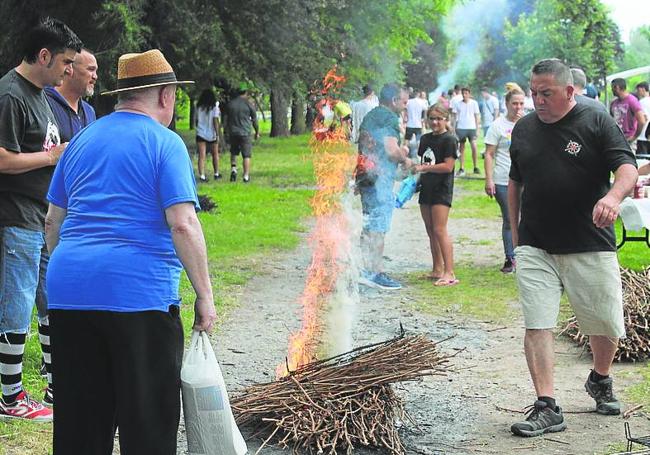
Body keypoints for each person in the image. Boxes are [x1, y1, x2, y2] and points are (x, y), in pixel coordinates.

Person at [44, 49, 217, 454]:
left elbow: (53, 221)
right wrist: (205, 295)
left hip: (70, 294)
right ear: (165, 96)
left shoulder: (82, 139)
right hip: (138, 299)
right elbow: (182, 223)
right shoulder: (165, 143)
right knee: (147, 423)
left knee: (80, 424)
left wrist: (74, 272)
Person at [508, 58, 638, 437]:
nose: (537, 101)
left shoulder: (595, 120)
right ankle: (547, 406)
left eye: (545, 93)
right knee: (537, 323)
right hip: (536, 244)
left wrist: (613, 198)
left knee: (604, 322)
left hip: (589, 240)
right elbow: (515, 182)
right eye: (533, 93)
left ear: (569, 91)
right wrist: (516, 236)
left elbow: (627, 168)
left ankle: (600, 378)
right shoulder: (524, 130)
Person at [0, 17, 81, 422]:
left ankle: (56, 384)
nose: (70, 70)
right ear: (44, 55)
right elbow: (1, 158)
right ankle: (10, 397)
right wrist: (53, 156)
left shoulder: (39, 95)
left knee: (51, 300)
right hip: (15, 220)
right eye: (66, 62)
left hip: (40, 218)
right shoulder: (10, 95)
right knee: (16, 307)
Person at [357, 83, 411, 290]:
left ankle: (366, 268)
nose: (405, 106)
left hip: (366, 176)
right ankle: (375, 272)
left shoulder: (371, 115)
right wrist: (404, 154)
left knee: (369, 223)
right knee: (378, 225)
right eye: (404, 102)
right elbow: (391, 151)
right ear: (394, 100)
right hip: (379, 179)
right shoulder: (389, 117)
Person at [414, 104, 458, 286]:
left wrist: (425, 168)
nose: (435, 122)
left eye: (439, 119)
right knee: (430, 230)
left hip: (442, 189)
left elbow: (448, 166)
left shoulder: (449, 140)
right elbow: (422, 161)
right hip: (426, 188)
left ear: (446, 119)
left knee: (440, 230)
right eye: (432, 118)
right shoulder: (424, 139)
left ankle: (450, 272)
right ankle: (437, 269)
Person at [483, 87, 525, 274]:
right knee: (510, 219)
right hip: (503, 179)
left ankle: (526, 257)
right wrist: (489, 179)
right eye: (514, 103)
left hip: (528, 179)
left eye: (521, 103)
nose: (518, 107)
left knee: (528, 218)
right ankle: (510, 258)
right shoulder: (497, 126)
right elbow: (489, 154)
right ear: (507, 104)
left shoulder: (528, 123)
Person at [45, 48, 97, 142]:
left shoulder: (90, 112)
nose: (95, 76)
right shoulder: (44, 103)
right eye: (90, 69)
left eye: (95, 71)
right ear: (69, 69)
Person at [224, 84, 259, 183]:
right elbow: (254, 119)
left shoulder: (231, 104)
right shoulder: (248, 104)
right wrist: (257, 132)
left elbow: (226, 120)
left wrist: (225, 131)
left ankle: (233, 169)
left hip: (233, 132)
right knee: (246, 155)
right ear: (246, 92)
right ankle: (246, 176)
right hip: (245, 132)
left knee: (233, 152)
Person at [451, 87, 481, 175]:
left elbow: (477, 116)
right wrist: (453, 129)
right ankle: (461, 167)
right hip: (461, 127)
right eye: (463, 93)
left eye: (466, 93)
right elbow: (454, 116)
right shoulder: (458, 104)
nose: (464, 95)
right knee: (461, 148)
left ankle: (475, 167)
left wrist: (477, 128)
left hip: (471, 128)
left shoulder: (474, 103)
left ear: (469, 94)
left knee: (474, 147)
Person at [610, 78, 647, 145]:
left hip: (628, 138)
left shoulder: (632, 101)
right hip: (617, 138)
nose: (611, 90)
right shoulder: (614, 103)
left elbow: (642, 121)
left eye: (612, 88)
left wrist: (634, 137)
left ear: (617, 87)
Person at [195, 88, 221, 182]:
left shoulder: (198, 106)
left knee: (202, 155)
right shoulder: (215, 107)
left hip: (201, 132)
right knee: (215, 154)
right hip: (212, 133)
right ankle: (216, 173)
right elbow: (215, 120)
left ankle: (202, 175)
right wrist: (217, 134)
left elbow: (196, 120)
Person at [405, 90, 428, 157]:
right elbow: (426, 110)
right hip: (418, 124)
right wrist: (424, 119)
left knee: (407, 140)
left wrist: (405, 117)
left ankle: (404, 154)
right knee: (418, 141)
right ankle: (420, 155)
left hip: (409, 124)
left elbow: (405, 110)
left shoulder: (409, 102)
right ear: (418, 94)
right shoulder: (421, 102)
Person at [635, 82, 650, 154]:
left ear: (643, 89)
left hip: (642, 135)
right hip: (648, 135)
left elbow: (644, 118)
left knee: (642, 159)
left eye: (638, 90)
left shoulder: (641, 102)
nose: (637, 92)